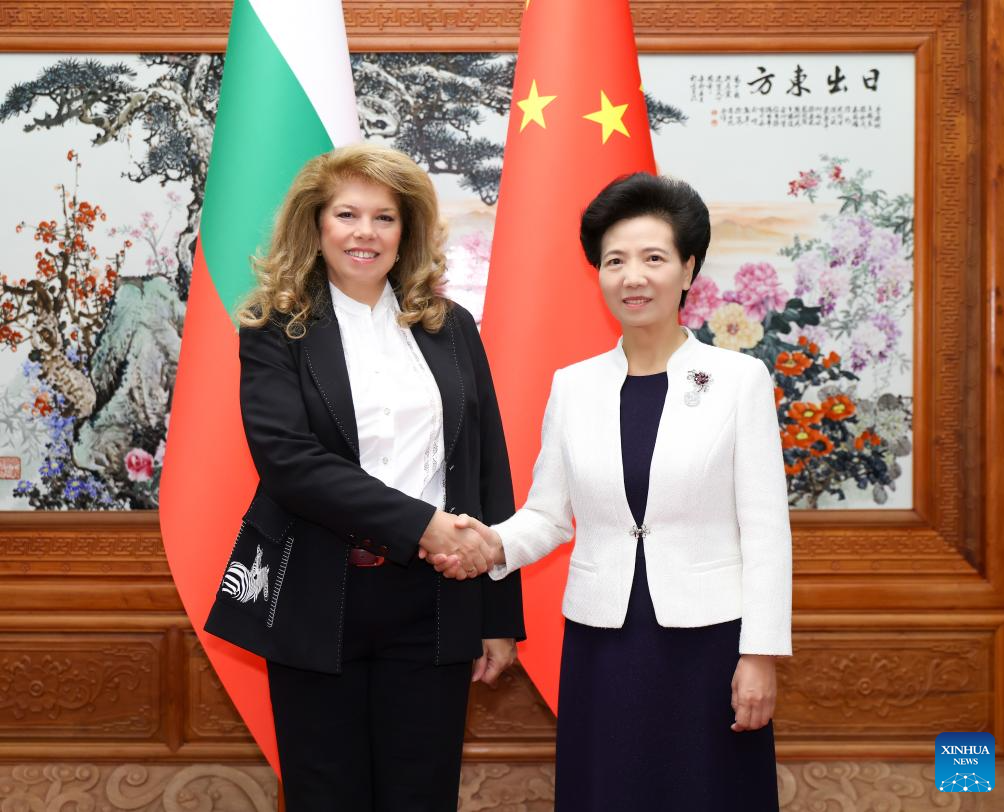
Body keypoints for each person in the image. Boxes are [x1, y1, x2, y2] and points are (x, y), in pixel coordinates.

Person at [439, 172, 792, 810]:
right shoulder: (574, 385)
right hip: (604, 640)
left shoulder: (739, 380)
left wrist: (760, 655)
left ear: (688, 269)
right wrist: (487, 544)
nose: (634, 277)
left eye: (654, 258)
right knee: (610, 789)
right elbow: (548, 516)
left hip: (709, 639)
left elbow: (766, 531)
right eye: (615, 261)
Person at [204, 144, 525, 812]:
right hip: (318, 593)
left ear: (406, 231)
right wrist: (423, 526)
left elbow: (487, 468)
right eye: (347, 214)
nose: (365, 233)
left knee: (422, 794)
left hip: (437, 598)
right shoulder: (274, 327)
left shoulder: (451, 327)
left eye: (384, 217)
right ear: (316, 224)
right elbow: (289, 462)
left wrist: (498, 616)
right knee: (326, 795)